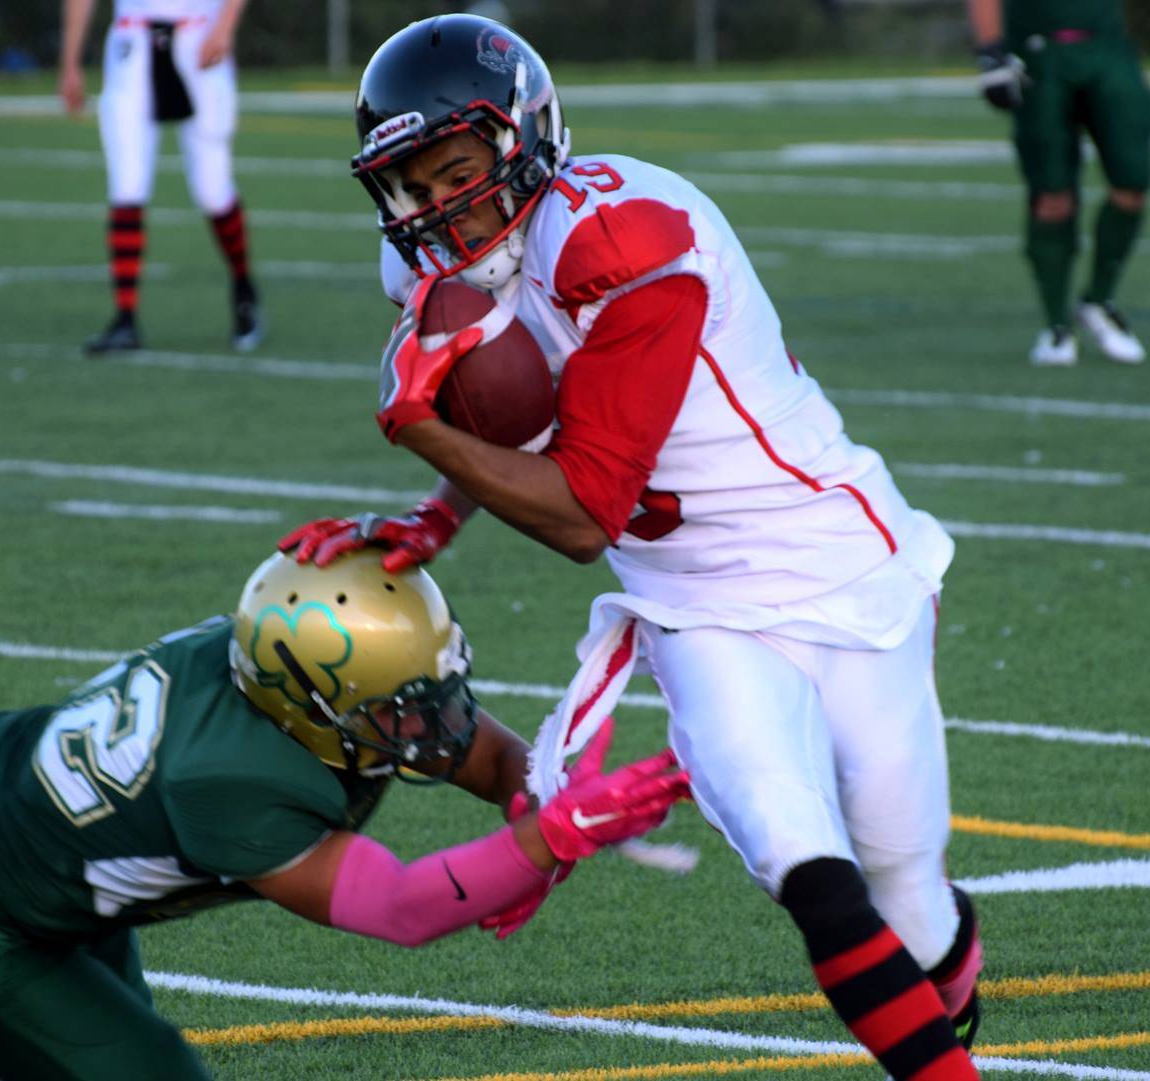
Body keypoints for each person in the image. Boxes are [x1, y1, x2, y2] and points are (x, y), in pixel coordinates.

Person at [280, 14, 983, 1079]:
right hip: (692, 605)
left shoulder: (624, 236)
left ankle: (945, 967)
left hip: (840, 560)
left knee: (906, 890)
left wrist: (420, 425)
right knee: (810, 871)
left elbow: (581, 512)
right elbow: (515, 420)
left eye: (455, 172)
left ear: (526, 138)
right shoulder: (431, 268)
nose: (434, 211)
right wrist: (438, 508)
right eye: (409, 188)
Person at [0, 550, 687, 1081]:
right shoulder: (232, 781)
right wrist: (548, 837)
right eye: (405, 706)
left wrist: (538, 789)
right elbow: (399, 907)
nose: (438, 721)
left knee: (64, 1045)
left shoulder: (286, 682)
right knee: (145, 1069)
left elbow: (479, 754)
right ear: (317, 706)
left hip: (3, 823)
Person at [967, 0, 1150, 366]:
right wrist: (990, 50)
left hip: (1108, 49)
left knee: (1133, 179)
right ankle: (1057, 325)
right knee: (1052, 193)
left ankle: (1098, 300)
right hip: (1040, 53)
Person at [59, 0, 264, 355]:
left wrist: (224, 28)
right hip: (131, 42)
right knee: (126, 187)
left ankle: (243, 286)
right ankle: (125, 317)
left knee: (212, 189)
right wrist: (70, 62)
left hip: (199, 36)